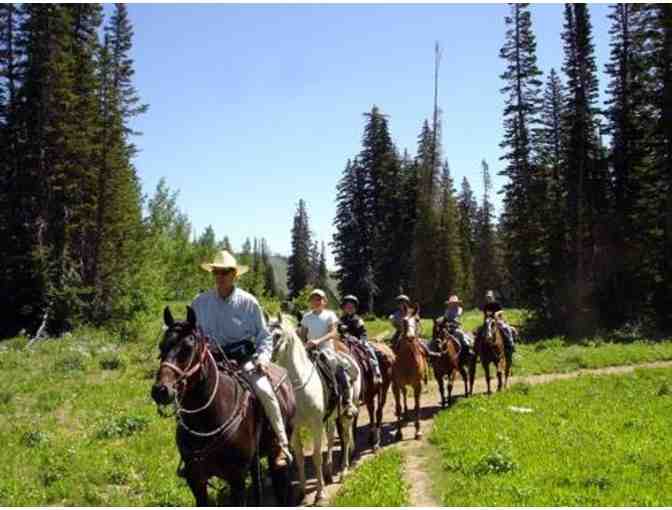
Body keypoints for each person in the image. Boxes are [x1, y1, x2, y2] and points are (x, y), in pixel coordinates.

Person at [190, 250, 293, 467]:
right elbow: (192, 333)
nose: (220, 276)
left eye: (225, 272)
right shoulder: (200, 302)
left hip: (242, 359)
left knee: (265, 391)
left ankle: (280, 444)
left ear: (234, 274)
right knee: (186, 397)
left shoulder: (249, 302)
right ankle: (189, 453)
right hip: (210, 361)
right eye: (217, 272)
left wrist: (264, 359)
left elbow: (264, 336)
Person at [300, 289, 359, 418]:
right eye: (313, 299)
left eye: (319, 299)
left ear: (324, 301)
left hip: (326, 349)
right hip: (310, 349)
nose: (316, 302)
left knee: (338, 367)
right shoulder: (306, 317)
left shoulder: (330, 315)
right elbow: (302, 334)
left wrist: (318, 341)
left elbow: (333, 333)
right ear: (310, 302)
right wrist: (303, 344)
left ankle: (347, 402)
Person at [339, 295, 383, 385]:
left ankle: (376, 371)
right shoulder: (340, 320)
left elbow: (363, 332)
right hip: (343, 341)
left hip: (357, 340)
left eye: (351, 306)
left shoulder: (358, 320)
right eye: (347, 306)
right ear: (344, 308)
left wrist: (361, 340)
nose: (349, 308)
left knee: (369, 349)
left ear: (355, 308)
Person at [479, 290, 515, 354]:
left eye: (490, 297)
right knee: (479, 332)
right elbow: (485, 316)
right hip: (489, 321)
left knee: (506, 328)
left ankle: (510, 343)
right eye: (487, 297)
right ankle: (479, 349)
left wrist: (497, 313)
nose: (488, 298)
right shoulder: (486, 306)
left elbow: (501, 311)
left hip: (498, 320)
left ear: (492, 297)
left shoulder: (497, 303)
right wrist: (485, 321)